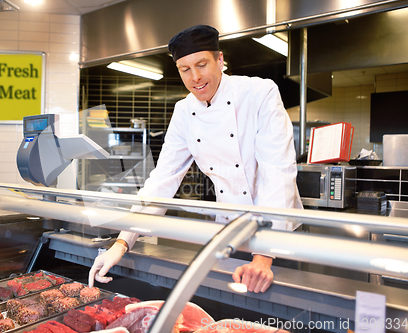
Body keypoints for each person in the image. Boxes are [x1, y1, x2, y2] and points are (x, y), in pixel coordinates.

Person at [88, 24, 302, 293]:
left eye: (202, 64)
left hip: (277, 234)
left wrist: (264, 255)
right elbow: (163, 180)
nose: (195, 78)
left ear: (220, 60)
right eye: (185, 70)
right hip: (230, 232)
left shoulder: (259, 94)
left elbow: (277, 172)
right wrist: (122, 242)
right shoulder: (183, 111)